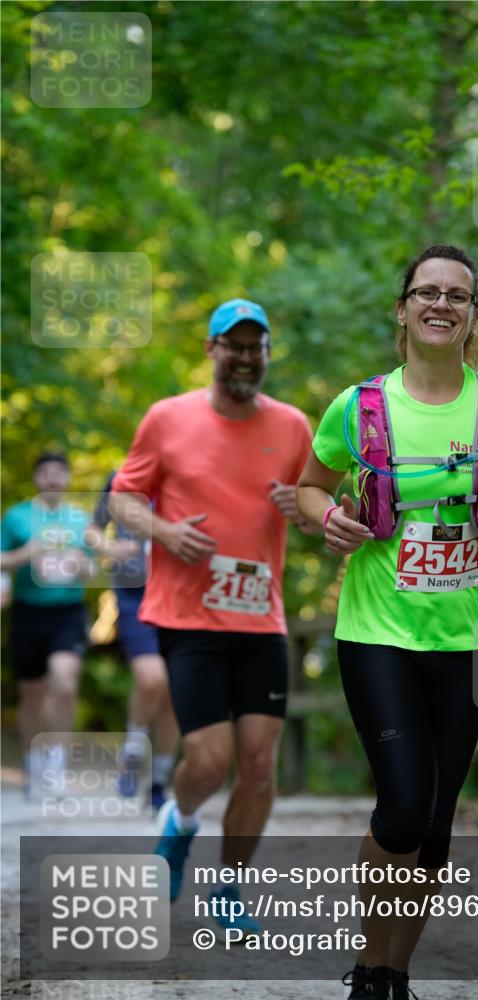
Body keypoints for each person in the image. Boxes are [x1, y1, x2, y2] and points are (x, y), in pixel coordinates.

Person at [296, 244, 478, 1000]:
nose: (441, 304)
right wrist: (329, 519)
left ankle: (392, 976)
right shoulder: (360, 406)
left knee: (437, 829)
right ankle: (365, 966)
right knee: (405, 807)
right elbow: (309, 489)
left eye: (457, 295)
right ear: (403, 307)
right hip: (376, 632)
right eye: (427, 292)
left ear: (472, 314)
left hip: (465, 640)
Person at [108, 298, 314, 932]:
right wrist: (165, 533)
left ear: (267, 354)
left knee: (259, 763)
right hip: (188, 616)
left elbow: (319, 509)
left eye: (257, 347)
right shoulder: (167, 418)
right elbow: (122, 498)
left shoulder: (293, 426)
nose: (246, 358)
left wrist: (302, 507)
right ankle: (182, 821)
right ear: (212, 349)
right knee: (207, 760)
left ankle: (229, 887)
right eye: (235, 346)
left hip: (260, 619)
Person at [0, 452, 122, 795]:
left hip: (68, 612)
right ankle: (33, 764)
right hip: (28, 611)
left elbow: (95, 569)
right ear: (36, 478)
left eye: (59, 472)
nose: (53, 478)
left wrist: (82, 566)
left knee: (65, 683)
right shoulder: (16, 517)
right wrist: (26, 555)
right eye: (46, 472)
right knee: (32, 694)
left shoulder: (80, 520)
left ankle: (56, 764)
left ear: (67, 478)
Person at [94, 473, 179, 812]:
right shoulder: (122, 478)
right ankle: (132, 752)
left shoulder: (188, 473)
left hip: (180, 595)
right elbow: (93, 529)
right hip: (135, 595)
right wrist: (109, 548)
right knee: (151, 679)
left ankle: (159, 779)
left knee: (176, 691)